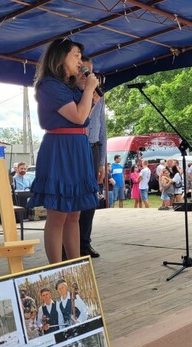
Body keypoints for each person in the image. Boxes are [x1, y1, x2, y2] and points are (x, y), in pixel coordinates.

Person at [26, 38, 99, 264]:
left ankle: (75, 265)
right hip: (60, 148)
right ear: (60, 57)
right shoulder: (49, 85)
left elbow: (84, 115)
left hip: (78, 147)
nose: (80, 61)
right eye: (76, 55)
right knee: (57, 214)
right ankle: (56, 268)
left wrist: (85, 91)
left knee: (74, 213)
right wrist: (87, 89)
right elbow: (77, 116)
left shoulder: (69, 86)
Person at [77, 56, 105, 258]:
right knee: (76, 197)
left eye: (91, 71)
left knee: (90, 198)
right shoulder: (71, 94)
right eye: (84, 70)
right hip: (77, 147)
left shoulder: (99, 95)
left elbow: (103, 128)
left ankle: (85, 243)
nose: (88, 75)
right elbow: (79, 120)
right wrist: (90, 100)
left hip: (94, 148)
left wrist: (103, 160)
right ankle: (70, 244)